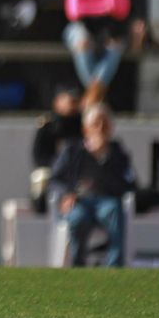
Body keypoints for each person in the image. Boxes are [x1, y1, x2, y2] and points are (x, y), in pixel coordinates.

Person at [49, 103, 136, 266]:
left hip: (106, 201)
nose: (100, 128)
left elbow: (129, 183)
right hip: (79, 201)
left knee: (114, 212)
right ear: (86, 128)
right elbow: (55, 180)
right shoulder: (72, 151)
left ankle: (113, 267)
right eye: (96, 123)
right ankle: (78, 266)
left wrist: (105, 158)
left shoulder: (118, 153)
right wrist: (67, 193)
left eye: (105, 123)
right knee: (77, 219)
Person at [62, 0, 134, 106]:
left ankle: (91, 95)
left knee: (115, 48)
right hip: (83, 26)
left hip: (107, 28)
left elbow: (121, 11)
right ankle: (96, 93)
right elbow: (73, 12)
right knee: (82, 42)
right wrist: (104, 7)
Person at [30, 85, 82, 212]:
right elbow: (39, 156)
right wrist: (57, 168)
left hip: (78, 172)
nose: (72, 104)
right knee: (41, 176)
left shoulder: (83, 125)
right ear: (57, 102)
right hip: (53, 171)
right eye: (69, 100)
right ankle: (40, 206)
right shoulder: (48, 127)